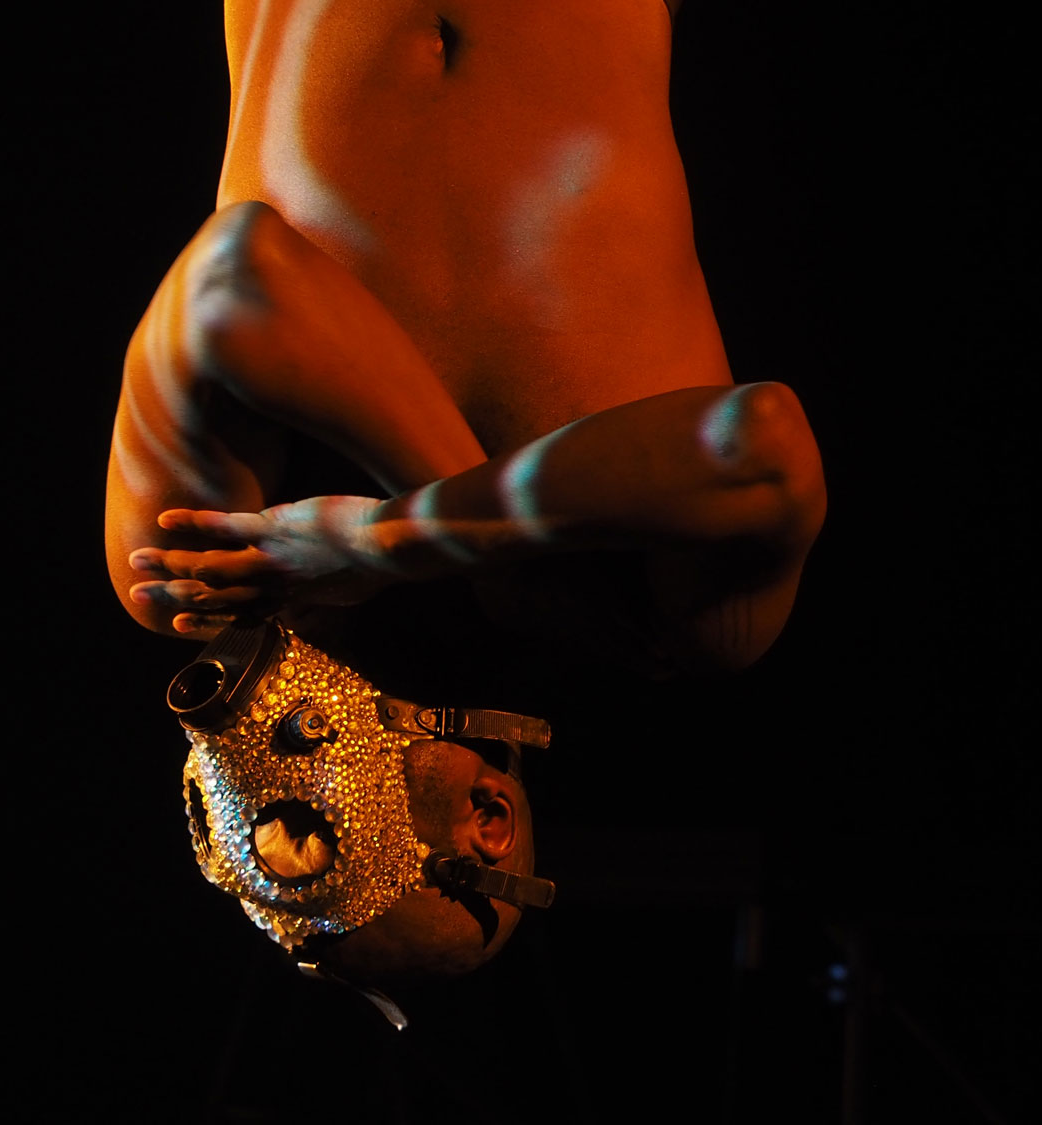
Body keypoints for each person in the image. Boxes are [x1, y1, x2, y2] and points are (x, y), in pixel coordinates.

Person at [103, 0, 825, 994]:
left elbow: (236, 274)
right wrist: (454, 548)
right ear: (489, 821)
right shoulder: (670, 627)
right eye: (312, 836)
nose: (268, 795)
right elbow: (757, 443)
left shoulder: (207, 580)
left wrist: (406, 538)